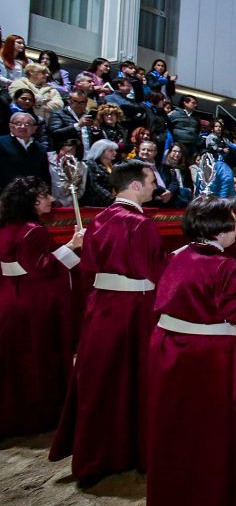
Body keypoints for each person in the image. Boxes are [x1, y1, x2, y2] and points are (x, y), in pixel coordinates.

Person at [146, 195, 236, 506]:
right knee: (211, 431)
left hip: (167, 348)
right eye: (232, 218)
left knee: (175, 427)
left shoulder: (175, 256)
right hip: (207, 356)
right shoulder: (224, 265)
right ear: (219, 230)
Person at [50, 160, 166, 487]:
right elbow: (154, 270)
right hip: (133, 309)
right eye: (150, 181)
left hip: (101, 308)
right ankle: (133, 449)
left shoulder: (100, 218)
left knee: (102, 380)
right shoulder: (139, 224)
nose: (154, 186)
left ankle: (97, 453)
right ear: (135, 185)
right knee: (134, 379)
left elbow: (89, 266)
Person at [0, 177, 84, 439]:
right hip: (31, 303)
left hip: (9, 298)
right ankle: (40, 415)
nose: (51, 199)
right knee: (37, 359)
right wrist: (73, 246)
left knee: (14, 363)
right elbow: (44, 267)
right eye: (45, 195)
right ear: (32, 200)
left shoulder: (6, 227)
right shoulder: (32, 230)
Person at [0, 112, 49, 191]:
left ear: (34, 129)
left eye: (28, 124)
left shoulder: (40, 149)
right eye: (18, 123)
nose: (23, 127)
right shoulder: (1, 143)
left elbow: (44, 175)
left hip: (33, 196)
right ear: (11, 126)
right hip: (6, 196)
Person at [81, 139, 118, 208]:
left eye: (115, 151)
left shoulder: (113, 166)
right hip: (94, 206)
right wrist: (112, 199)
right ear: (101, 151)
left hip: (110, 204)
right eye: (111, 151)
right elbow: (94, 185)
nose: (115, 153)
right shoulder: (90, 164)